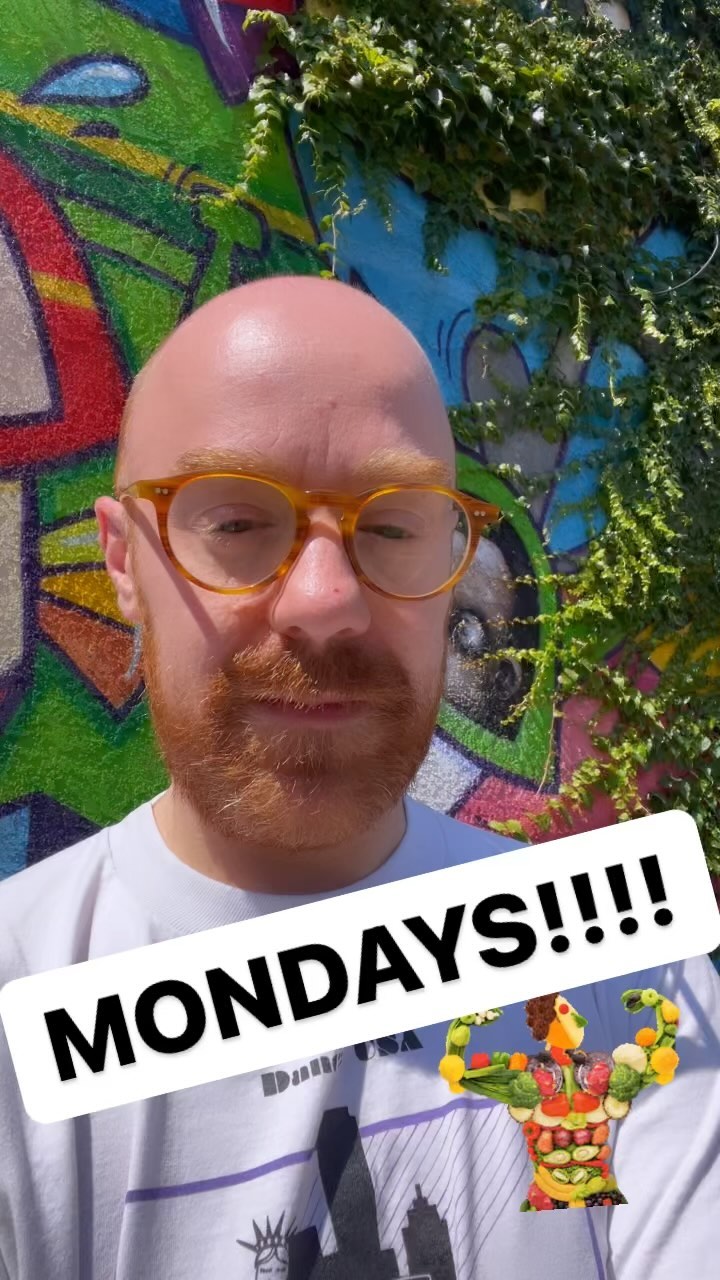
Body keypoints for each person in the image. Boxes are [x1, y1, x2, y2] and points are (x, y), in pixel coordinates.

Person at [0, 276, 717, 1280]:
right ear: (123, 560)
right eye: (237, 523)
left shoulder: (626, 970)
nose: (328, 602)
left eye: (390, 528)